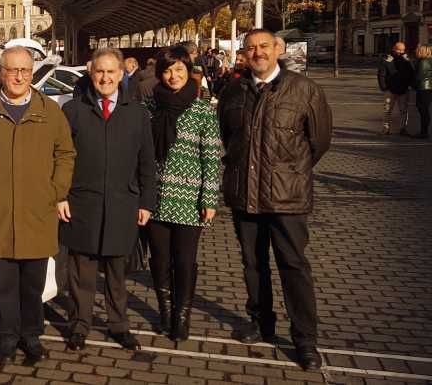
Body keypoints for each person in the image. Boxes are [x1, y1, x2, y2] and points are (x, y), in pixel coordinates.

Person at [217, 28, 332, 371]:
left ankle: (305, 340)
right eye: (251, 48)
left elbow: (320, 141)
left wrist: (290, 173)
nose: (258, 53)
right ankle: (260, 322)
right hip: (245, 195)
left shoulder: (304, 89)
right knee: (253, 264)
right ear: (244, 53)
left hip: (287, 197)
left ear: (277, 49)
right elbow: (228, 135)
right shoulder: (234, 90)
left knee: (293, 266)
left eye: (264, 46)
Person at [0, 46, 75, 365]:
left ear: (32, 72)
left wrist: (55, 190)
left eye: (24, 70)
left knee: (32, 285)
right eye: (12, 70)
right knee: (3, 285)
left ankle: (32, 336)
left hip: (37, 212)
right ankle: (6, 338)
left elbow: (65, 154)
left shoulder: (50, 111)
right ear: (1, 71)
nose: (18, 76)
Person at [59, 47, 157, 352]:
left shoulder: (138, 113)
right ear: (91, 74)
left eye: (110, 72)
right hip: (82, 204)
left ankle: (119, 325)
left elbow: (147, 163)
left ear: (121, 75)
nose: (105, 77)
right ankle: (79, 325)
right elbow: (60, 159)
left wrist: (146, 202)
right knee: (81, 273)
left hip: (122, 205)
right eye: (99, 71)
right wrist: (60, 195)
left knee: (117, 274)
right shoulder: (73, 111)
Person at [143, 46, 222, 342]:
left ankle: (182, 316)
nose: (173, 76)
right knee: (160, 260)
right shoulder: (150, 107)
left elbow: (211, 157)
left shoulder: (202, 109)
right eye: (167, 70)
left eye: (178, 69)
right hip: (155, 198)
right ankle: (165, 311)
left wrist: (209, 199)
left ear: (188, 71)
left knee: (184, 261)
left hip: (189, 200)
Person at [378, 42, 415, 135]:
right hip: (390, 90)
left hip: (403, 90)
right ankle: (385, 129)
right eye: (399, 50)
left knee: (404, 111)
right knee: (387, 110)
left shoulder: (406, 60)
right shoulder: (387, 59)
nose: (401, 52)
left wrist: (408, 61)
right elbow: (381, 74)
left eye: (403, 50)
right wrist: (384, 87)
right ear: (394, 49)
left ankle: (403, 129)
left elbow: (412, 72)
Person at [415, 44, 432, 139]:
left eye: (417, 49)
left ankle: (424, 132)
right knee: (424, 110)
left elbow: (419, 77)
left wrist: (412, 85)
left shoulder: (423, 61)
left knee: (423, 110)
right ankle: (424, 131)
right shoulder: (429, 60)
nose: (416, 51)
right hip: (428, 88)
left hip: (423, 88)